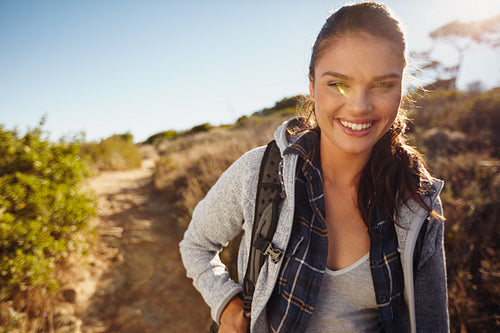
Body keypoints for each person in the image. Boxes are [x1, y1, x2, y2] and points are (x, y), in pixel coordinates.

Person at [179, 2, 449, 332]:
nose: (359, 106)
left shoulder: (417, 200)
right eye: (338, 83)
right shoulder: (260, 172)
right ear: (312, 85)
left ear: (401, 88)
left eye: (382, 84)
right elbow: (196, 244)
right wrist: (226, 305)